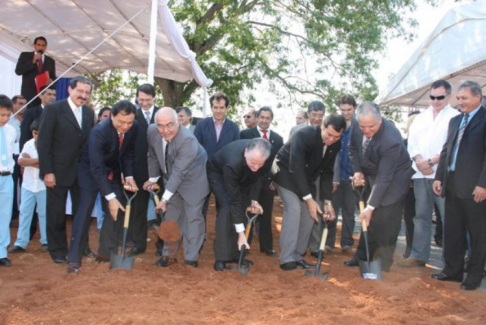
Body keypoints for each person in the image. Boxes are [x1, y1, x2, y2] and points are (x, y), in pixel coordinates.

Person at [66, 101, 138, 273]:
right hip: (89, 172)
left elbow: (127, 153)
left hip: (112, 171)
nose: (125, 126)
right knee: (84, 212)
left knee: (116, 209)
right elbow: (96, 169)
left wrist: (128, 176)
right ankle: (74, 259)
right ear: (112, 116)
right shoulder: (99, 132)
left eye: (129, 122)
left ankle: (106, 253)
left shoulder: (133, 127)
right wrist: (110, 197)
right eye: (121, 121)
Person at [345, 102, 414, 272]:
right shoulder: (356, 124)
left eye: (371, 127)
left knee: (385, 218)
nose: (366, 131)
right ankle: (362, 256)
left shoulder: (391, 139)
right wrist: (358, 171)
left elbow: (385, 177)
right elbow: (352, 148)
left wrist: (370, 206)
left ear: (380, 120)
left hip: (394, 178)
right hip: (371, 174)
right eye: (363, 127)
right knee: (367, 219)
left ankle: (383, 262)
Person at [272, 114, 345, 271]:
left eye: (337, 136)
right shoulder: (303, 135)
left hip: (306, 178)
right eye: (329, 134)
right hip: (285, 173)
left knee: (310, 215)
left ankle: (298, 255)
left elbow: (326, 172)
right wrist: (308, 199)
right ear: (322, 127)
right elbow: (295, 168)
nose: (332, 139)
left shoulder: (335, 144)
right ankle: (286, 258)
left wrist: (327, 201)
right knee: (294, 209)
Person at [398, 80, 459, 268]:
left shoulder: (455, 117)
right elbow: (412, 143)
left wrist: (432, 162)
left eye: (440, 97)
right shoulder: (421, 118)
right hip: (420, 174)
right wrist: (419, 161)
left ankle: (450, 262)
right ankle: (418, 256)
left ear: (449, 96)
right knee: (420, 216)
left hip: (443, 175)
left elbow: (453, 146)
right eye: (432, 97)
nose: (436, 101)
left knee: (448, 218)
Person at [432, 81, 486, 291]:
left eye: (465, 98)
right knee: (452, 231)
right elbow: (446, 151)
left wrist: (483, 184)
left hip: (476, 189)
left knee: (478, 234)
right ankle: (452, 271)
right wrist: (439, 177)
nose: (460, 102)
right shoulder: (455, 121)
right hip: (452, 185)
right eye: (459, 98)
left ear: (478, 98)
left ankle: (473, 277)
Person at [37, 76, 95, 264]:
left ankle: (81, 246)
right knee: (56, 213)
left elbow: (87, 144)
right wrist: (47, 171)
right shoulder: (54, 109)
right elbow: (44, 142)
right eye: (80, 91)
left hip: (82, 174)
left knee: (83, 211)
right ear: (70, 90)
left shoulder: (88, 113)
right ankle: (58, 250)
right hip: (57, 171)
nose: (83, 96)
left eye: (87, 92)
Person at [144, 107, 210, 268]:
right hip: (171, 180)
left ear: (178, 122)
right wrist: (153, 179)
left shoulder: (187, 140)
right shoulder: (152, 132)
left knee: (192, 218)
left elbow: (179, 173)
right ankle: (168, 254)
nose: (165, 130)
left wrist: (164, 199)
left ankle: (191, 257)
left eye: (169, 125)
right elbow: (152, 155)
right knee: (171, 219)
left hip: (193, 182)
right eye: (160, 125)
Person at [208, 139, 271, 271]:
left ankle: (237, 254)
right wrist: (241, 234)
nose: (256, 167)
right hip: (218, 174)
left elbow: (259, 177)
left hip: (243, 175)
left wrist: (254, 199)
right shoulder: (232, 162)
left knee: (245, 206)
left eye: (260, 164)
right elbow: (234, 199)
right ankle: (222, 257)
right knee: (227, 207)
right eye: (253, 163)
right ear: (246, 152)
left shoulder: (261, 160)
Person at [240, 106, 284, 256]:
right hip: (250, 181)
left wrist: (275, 180)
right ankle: (245, 244)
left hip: (268, 183)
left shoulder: (278, 139)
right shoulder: (245, 134)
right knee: (249, 212)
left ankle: (267, 247)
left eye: (268, 118)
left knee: (266, 214)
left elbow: (279, 161)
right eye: (262, 117)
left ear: (271, 120)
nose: (265, 120)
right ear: (257, 118)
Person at [194, 92, 240, 224]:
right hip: (203, 172)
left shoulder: (234, 127)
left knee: (224, 208)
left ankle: (221, 241)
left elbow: (235, 151)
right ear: (211, 108)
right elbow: (196, 147)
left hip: (224, 174)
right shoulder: (202, 125)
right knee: (200, 207)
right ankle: (199, 237)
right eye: (215, 107)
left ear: (227, 108)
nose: (218, 111)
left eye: (221, 107)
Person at [126, 84, 160, 257]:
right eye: (141, 100)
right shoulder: (132, 116)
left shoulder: (163, 114)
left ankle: (162, 245)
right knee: (138, 210)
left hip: (160, 172)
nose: (145, 103)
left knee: (161, 208)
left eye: (148, 100)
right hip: (138, 171)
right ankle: (138, 244)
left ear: (154, 97)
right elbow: (128, 147)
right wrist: (129, 173)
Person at [326, 95, 359, 255]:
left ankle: (347, 243)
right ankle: (328, 243)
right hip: (335, 178)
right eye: (343, 110)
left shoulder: (360, 128)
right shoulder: (336, 126)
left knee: (349, 212)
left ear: (354, 109)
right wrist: (334, 179)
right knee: (331, 210)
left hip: (352, 177)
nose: (345, 113)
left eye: (349, 110)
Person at [9, 120, 48, 253]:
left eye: (40, 133)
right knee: (25, 213)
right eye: (35, 133)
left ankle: (45, 241)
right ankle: (21, 242)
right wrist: (40, 161)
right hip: (28, 184)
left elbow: (48, 165)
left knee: (44, 214)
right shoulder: (28, 144)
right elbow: (20, 161)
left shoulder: (49, 145)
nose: (37, 136)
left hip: (43, 185)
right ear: (32, 132)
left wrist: (30, 161)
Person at [15, 36, 56, 108]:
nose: (41, 47)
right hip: (29, 94)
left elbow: (54, 77)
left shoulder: (50, 61)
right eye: (38, 45)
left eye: (43, 45)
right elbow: (18, 71)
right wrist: (33, 61)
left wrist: (51, 80)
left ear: (46, 47)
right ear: (34, 45)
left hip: (44, 96)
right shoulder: (25, 55)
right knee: (28, 116)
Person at [0, 95, 16, 267]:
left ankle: (1, 252)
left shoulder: (11, 131)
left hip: (6, 177)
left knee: (4, 216)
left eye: (7, 115)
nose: (5, 118)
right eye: (1, 115)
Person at [20, 85, 56, 152]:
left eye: (54, 95)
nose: (52, 97)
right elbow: (25, 135)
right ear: (40, 95)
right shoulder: (30, 113)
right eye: (49, 94)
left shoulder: (58, 113)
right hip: (33, 151)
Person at [8, 95, 26, 219]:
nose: (22, 106)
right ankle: (13, 212)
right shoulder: (8, 120)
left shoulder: (28, 118)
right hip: (13, 157)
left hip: (26, 156)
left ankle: (24, 212)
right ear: (13, 105)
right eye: (19, 103)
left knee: (26, 185)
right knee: (13, 185)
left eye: (24, 104)